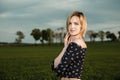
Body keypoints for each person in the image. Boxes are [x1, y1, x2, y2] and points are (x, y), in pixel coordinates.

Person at [51, 11, 87, 80]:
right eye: (70, 23)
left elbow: (57, 68)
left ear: (82, 26)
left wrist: (65, 47)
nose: (72, 26)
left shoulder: (75, 44)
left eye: (76, 24)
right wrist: (66, 46)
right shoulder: (80, 43)